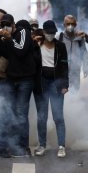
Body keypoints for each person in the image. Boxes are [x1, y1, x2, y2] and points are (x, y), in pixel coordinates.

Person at [0, 14, 37, 157]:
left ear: (13, 24)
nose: (5, 27)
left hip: (25, 79)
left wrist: (9, 39)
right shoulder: (5, 36)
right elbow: (4, 54)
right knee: (9, 111)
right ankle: (9, 144)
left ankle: (23, 146)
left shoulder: (22, 32)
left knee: (21, 113)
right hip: (10, 78)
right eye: (3, 25)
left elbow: (20, 50)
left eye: (7, 24)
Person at [34, 20, 69, 158]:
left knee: (58, 117)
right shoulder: (37, 45)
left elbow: (65, 66)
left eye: (53, 33)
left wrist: (65, 85)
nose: (50, 35)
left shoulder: (60, 46)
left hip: (56, 83)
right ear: (43, 32)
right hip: (41, 84)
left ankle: (61, 146)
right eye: (48, 32)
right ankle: (42, 145)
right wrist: (34, 43)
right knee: (42, 117)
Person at [58, 15, 88, 92]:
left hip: (75, 70)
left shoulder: (80, 37)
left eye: (72, 24)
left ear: (75, 25)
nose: (70, 26)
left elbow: (84, 52)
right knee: (63, 92)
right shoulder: (59, 37)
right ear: (64, 25)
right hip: (62, 71)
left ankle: (74, 103)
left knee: (74, 92)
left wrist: (85, 67)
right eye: (68, 24)